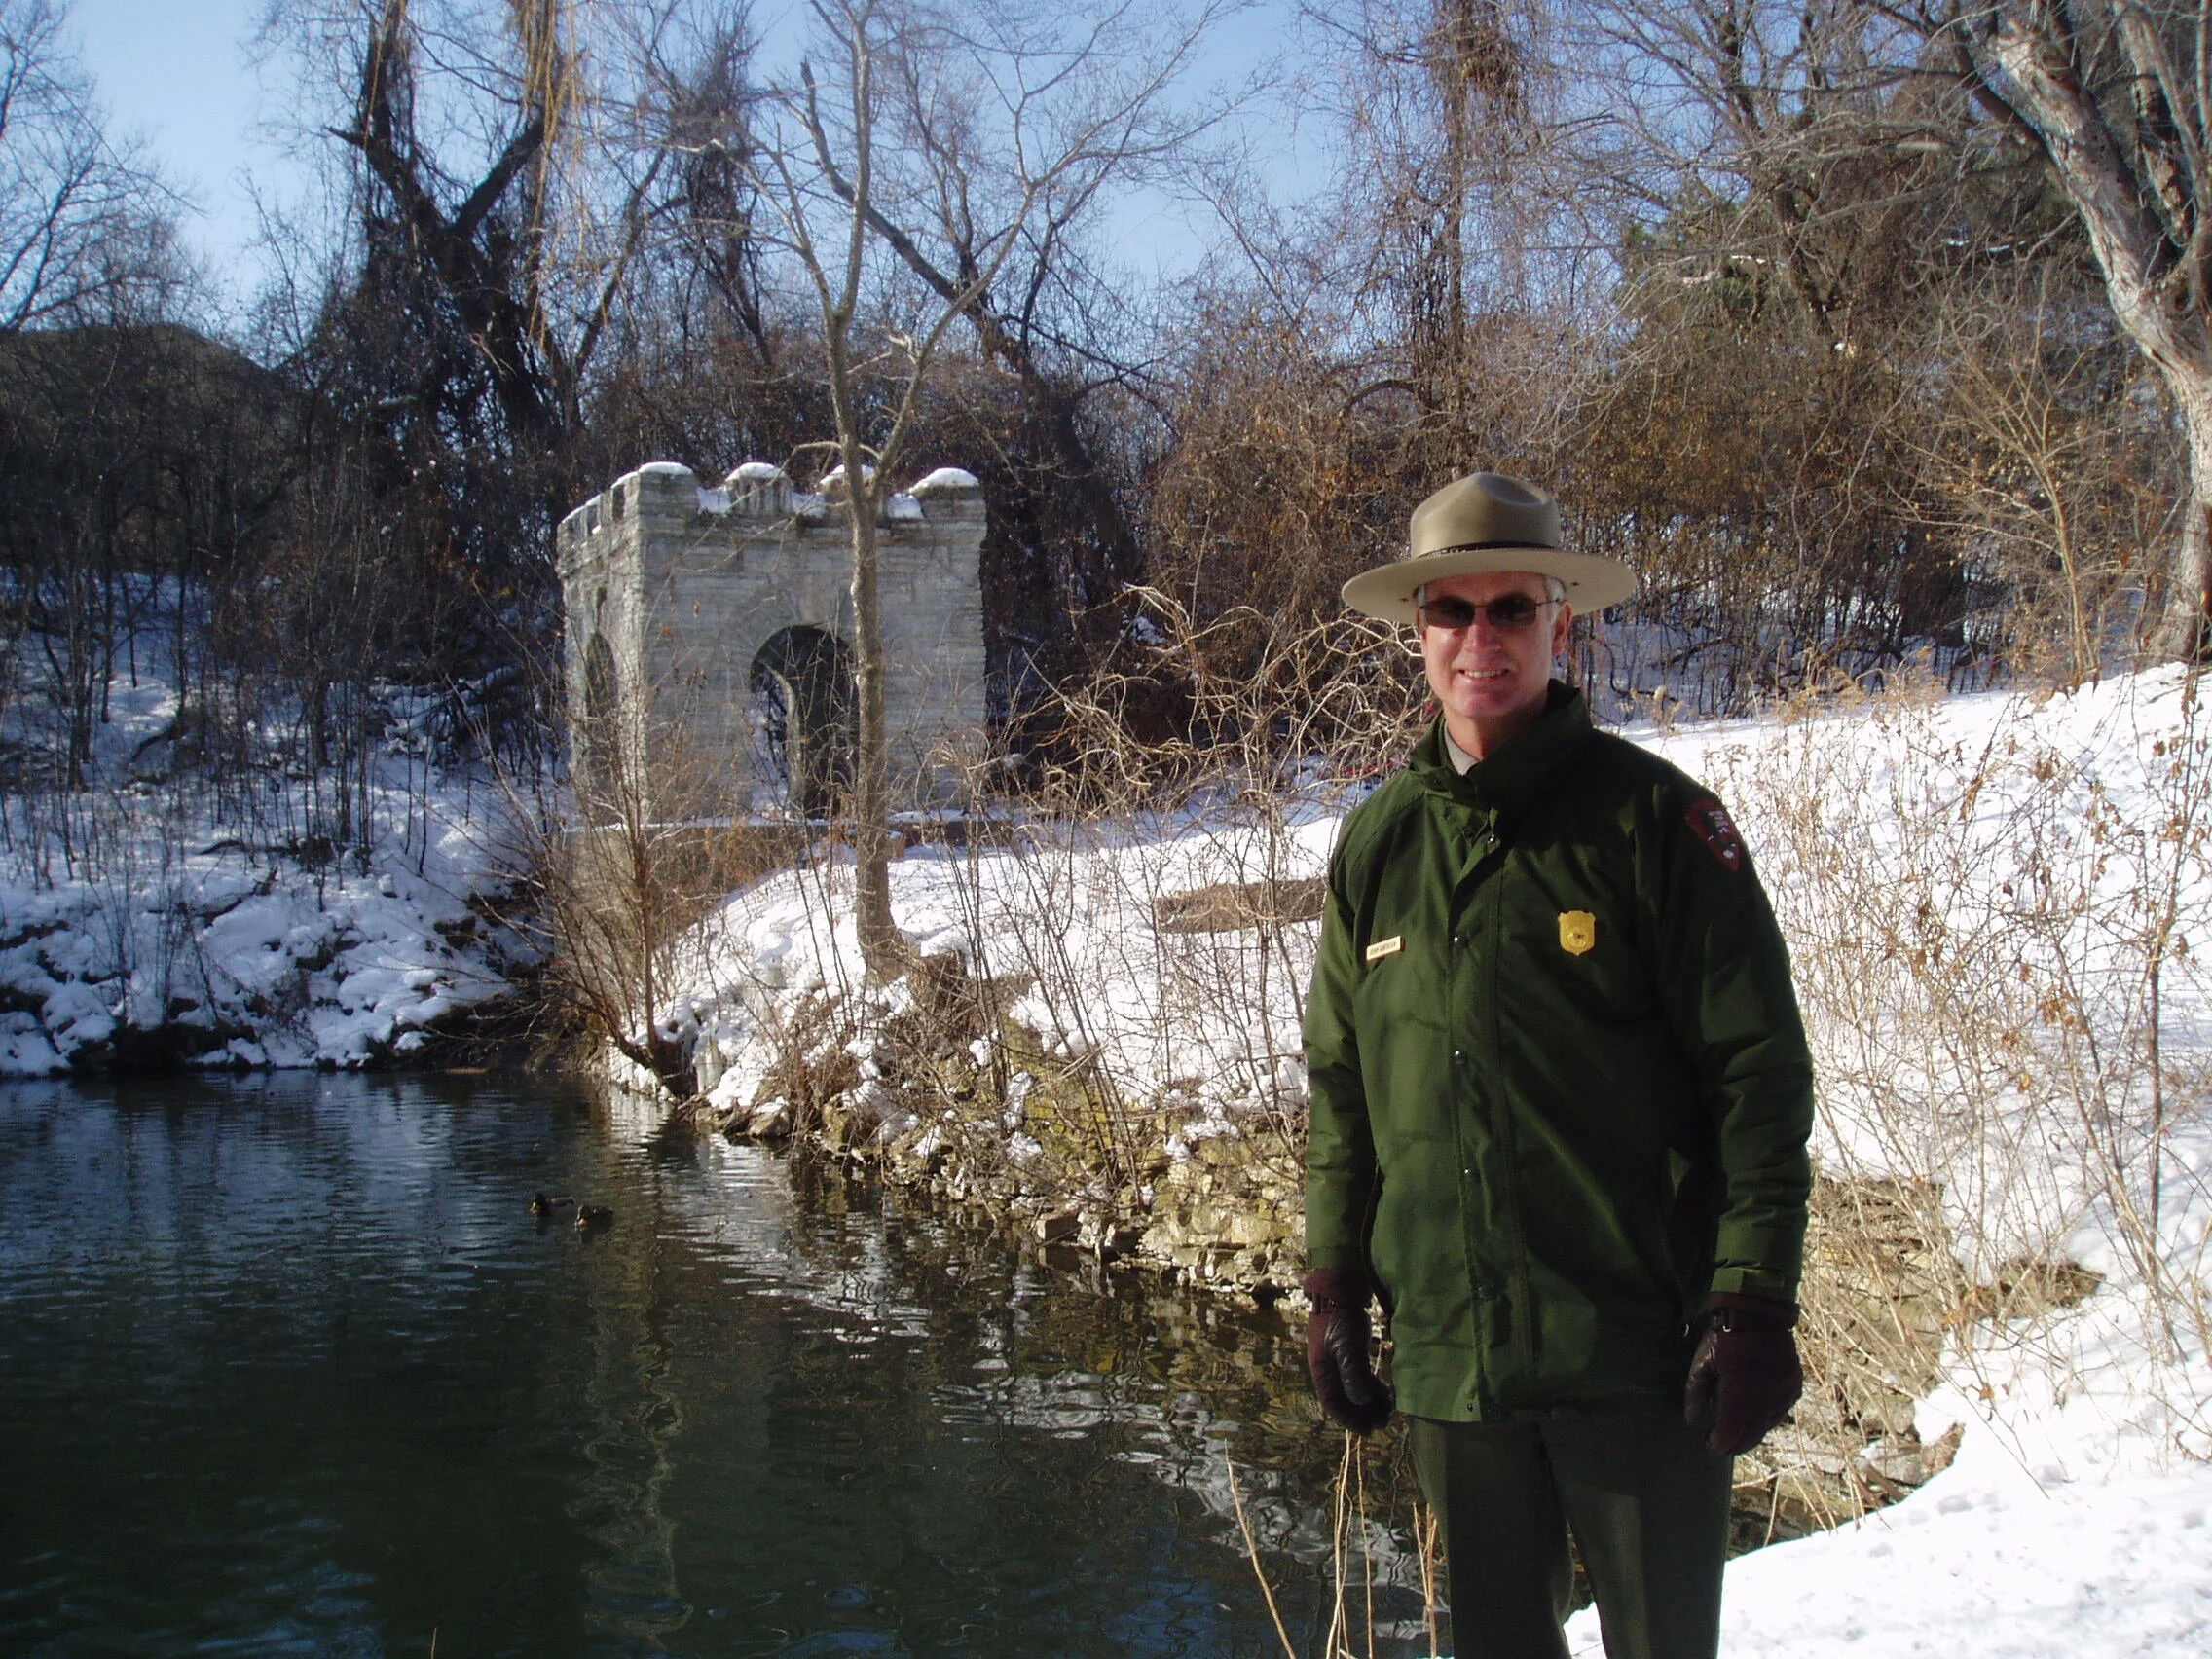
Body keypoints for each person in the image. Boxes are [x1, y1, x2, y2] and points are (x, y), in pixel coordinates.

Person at [1301, 472, 1816, 1659]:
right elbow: (1341, 1087)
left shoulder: (1656, 826)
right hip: (1452, 1362)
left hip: (1633, 1353)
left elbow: (1757, 1074)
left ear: (1559, 623)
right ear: (1418, 630)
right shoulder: (1379, 845)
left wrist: (1751, 1300)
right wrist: (1334, 1285)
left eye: (1511, 609)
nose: (1479, 639)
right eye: (1452, 610)